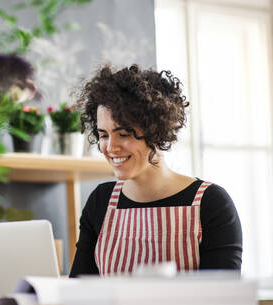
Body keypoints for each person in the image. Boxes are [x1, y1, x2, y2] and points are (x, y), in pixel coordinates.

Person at [69, 64, 242, 277]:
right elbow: (79, 292)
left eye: (123, 134)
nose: (111, 147)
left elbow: (224, 297)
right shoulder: (100, 201)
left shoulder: (210, 203)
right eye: (104, 135)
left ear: (157, 131)